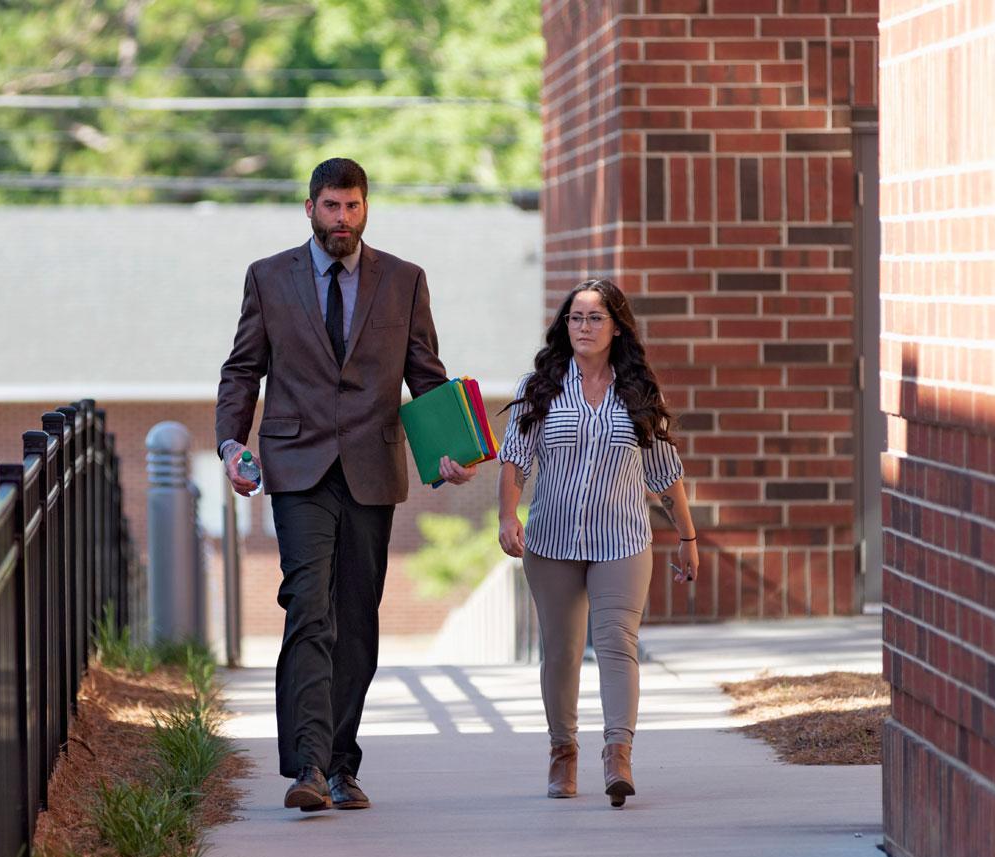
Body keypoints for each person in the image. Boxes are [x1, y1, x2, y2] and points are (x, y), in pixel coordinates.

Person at [216, 157, 475, 812]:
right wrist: (230, 445)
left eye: (353, 206)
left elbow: (426, 373)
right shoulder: (269, 278)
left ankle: (341, 763)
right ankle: (306, 764)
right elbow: (243, 369)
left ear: (366, 208)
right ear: (310, 209)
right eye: (331, 206)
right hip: (297, 465)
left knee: (356, 621)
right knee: (310, 608)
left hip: (371, 465)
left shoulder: (404, 281)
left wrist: (450, 449)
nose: (343, 219)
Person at [496, 277, 698, 808]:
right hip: (551, 540)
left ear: (616, 327)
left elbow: (664, 470)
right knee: (561, 653)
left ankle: (618, 755)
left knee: (616, 644)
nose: (583, 327)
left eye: (595, 318)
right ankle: (563, 752)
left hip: (623, 541)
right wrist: (507, 517)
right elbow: (515, 458)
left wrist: (687, 536)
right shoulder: (539, 386)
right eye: (575, 318)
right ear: (565, 327)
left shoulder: (637, 391)